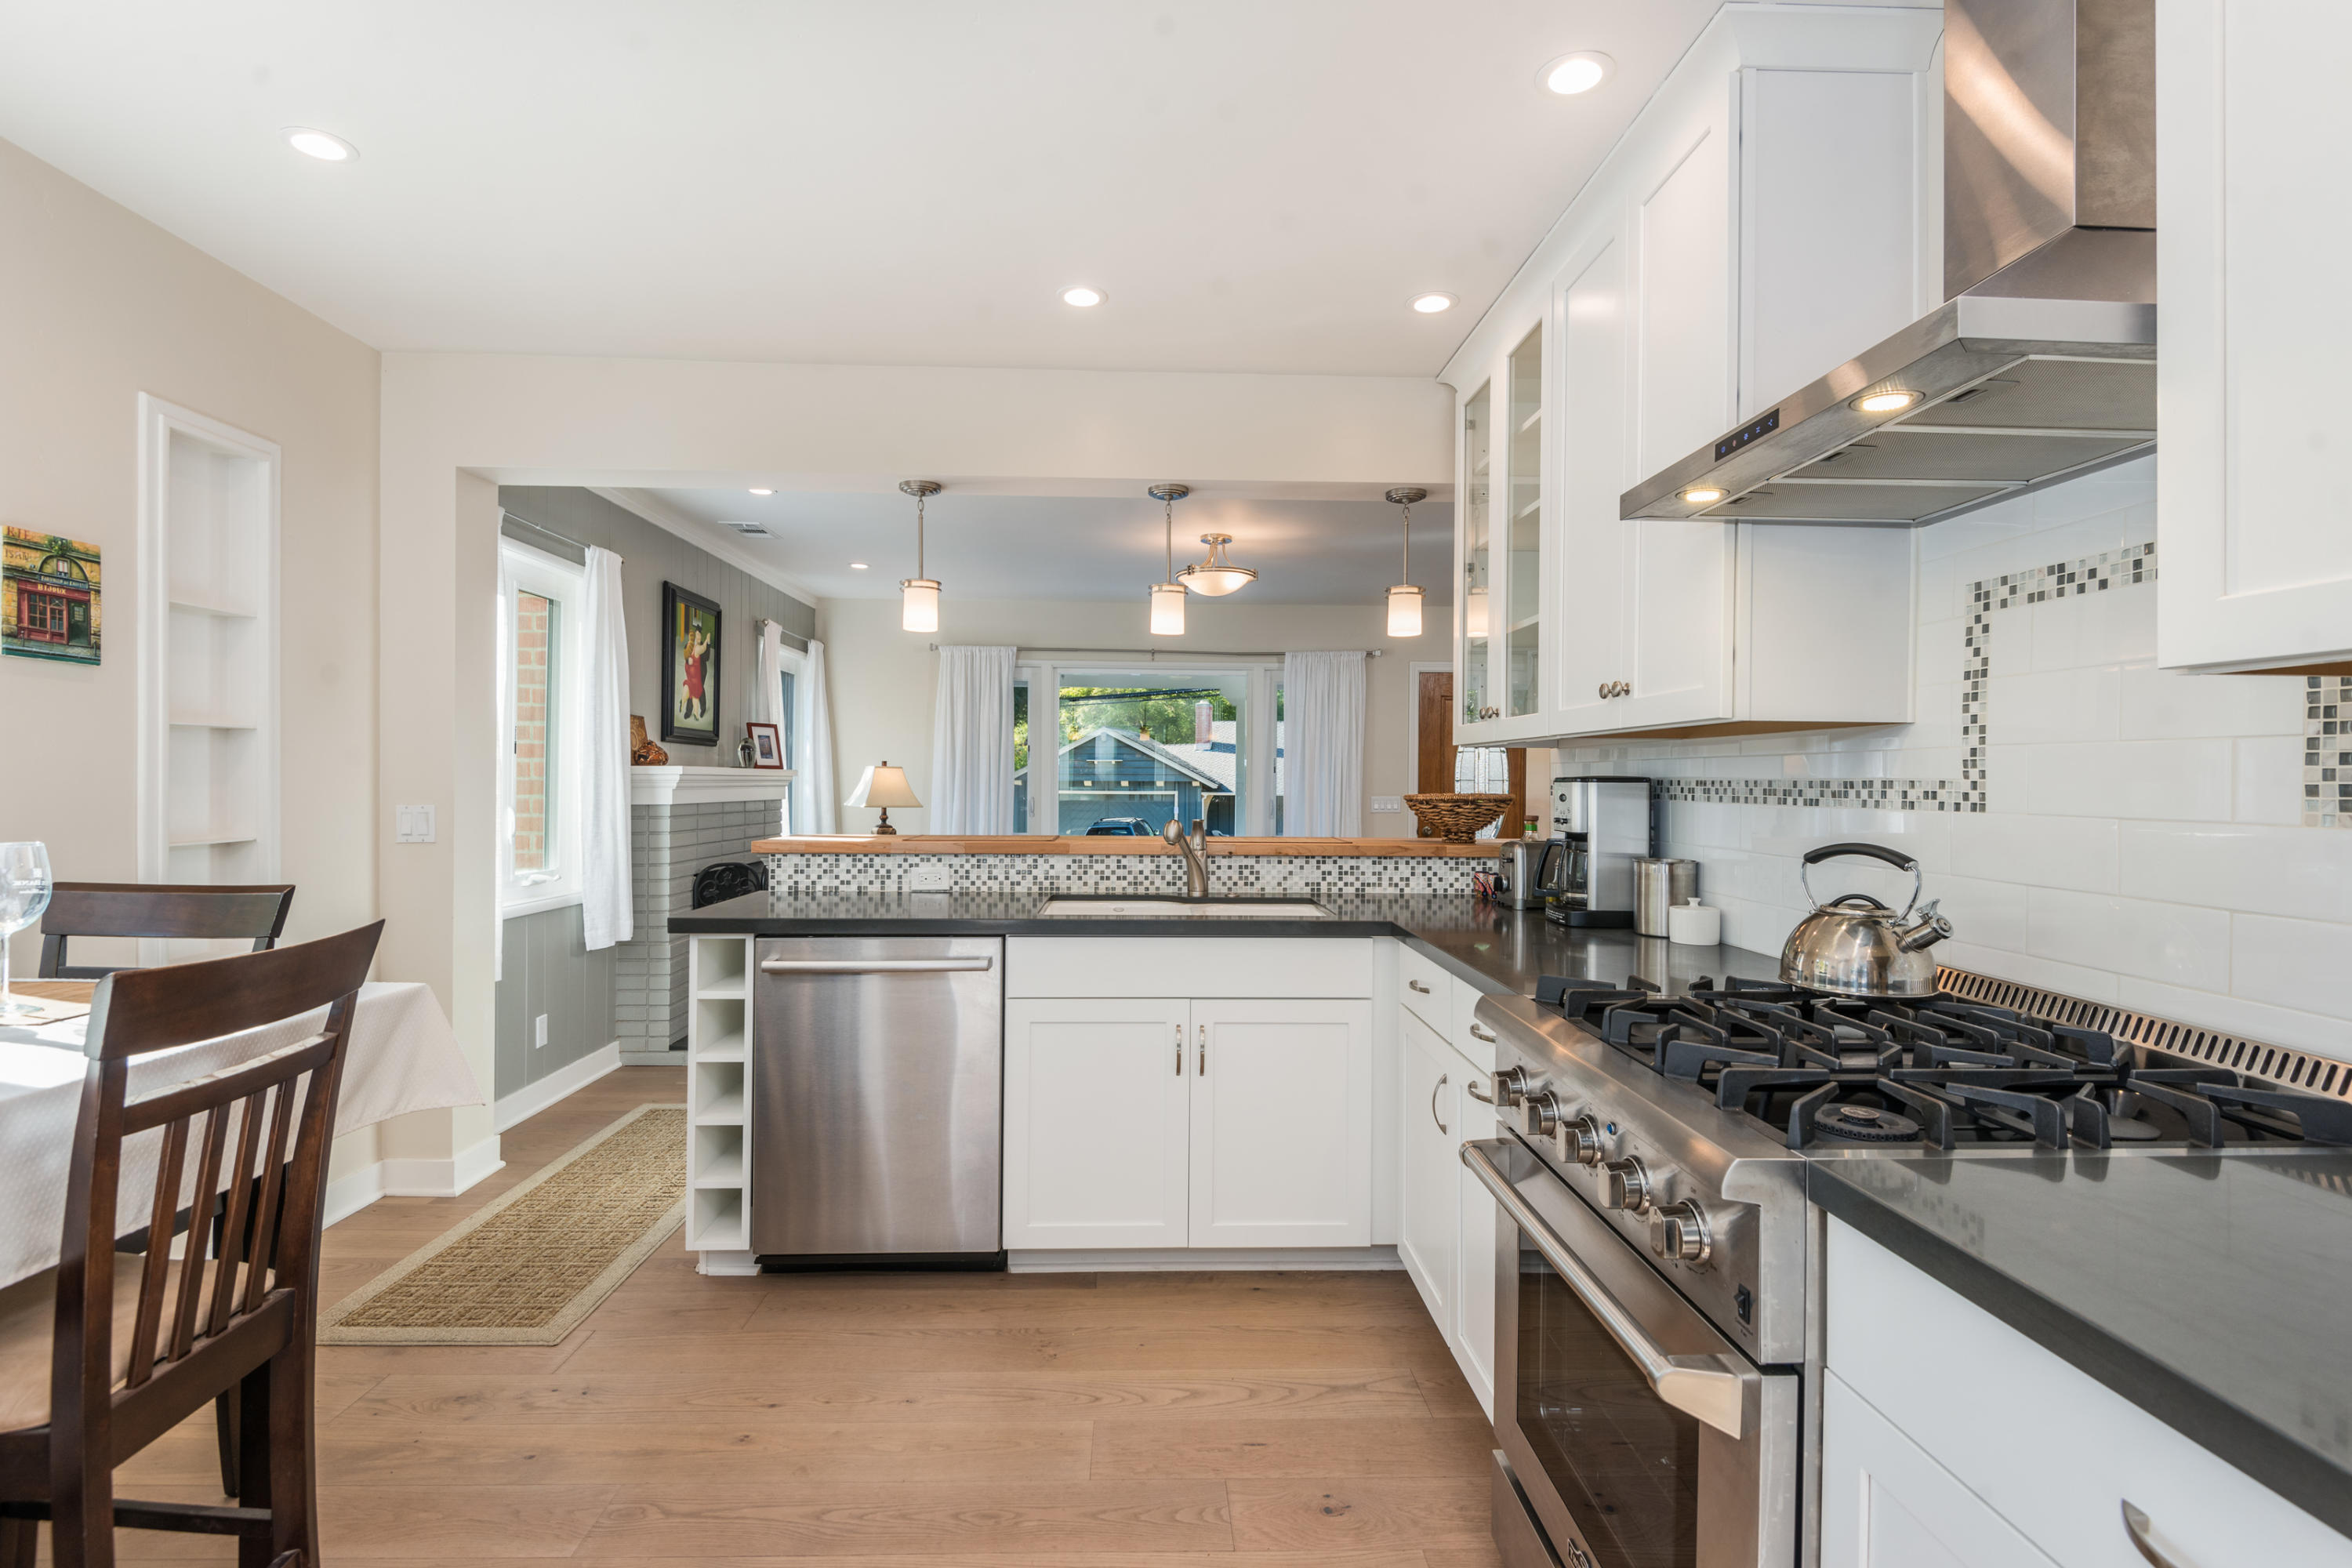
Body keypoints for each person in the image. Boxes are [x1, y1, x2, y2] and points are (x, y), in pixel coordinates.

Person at [681, 619, 709, 724]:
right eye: (696, 635)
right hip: (691, 672)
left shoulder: (702, 647)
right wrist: (688, 659)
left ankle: (703, 707)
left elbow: (706, 658)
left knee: (700, 690)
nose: (698, 637)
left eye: (699, 636)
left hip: (701, 672)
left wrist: (708, 644)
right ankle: (689, 711)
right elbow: (686, 653)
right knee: (691, 690)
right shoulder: (690, 644)